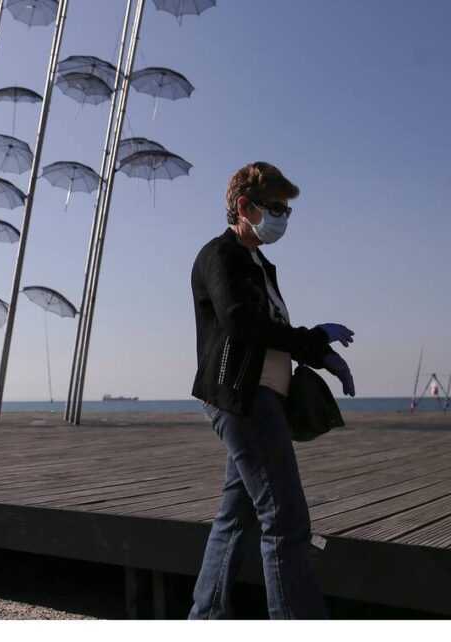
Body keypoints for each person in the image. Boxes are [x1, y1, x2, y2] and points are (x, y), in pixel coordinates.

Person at [187, 162, 355, 619]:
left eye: (286, 210)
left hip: (263, 398)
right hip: (244, 399)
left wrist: (316, 352)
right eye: (276, 208)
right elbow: (242, 324)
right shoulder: (220, 256)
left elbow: (271, 331)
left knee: (235, 518)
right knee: (285, 520)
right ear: (244, 206)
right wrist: (314, 340)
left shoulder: (258, 263)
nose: (283, 218)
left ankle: (204, 619)